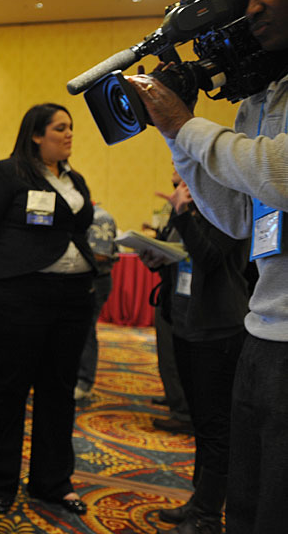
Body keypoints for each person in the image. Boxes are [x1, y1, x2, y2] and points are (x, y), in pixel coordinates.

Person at [126, 0, 288, 532]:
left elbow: (281, 174)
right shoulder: (262, 94)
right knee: (245, 509)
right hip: (262, 333)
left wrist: (186, 126)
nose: (252, 9)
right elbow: (239, 214)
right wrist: (176, 134)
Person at [0, 103, 96, 516]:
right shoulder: (8, 174)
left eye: (71, 127)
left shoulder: (74, 179)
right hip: (19, 296)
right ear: (36, 135)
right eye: (60, 128)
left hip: (73, 297)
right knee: (9, 391)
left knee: (59, 391)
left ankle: (52, 482)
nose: (69, 134)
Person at [139, 178, 249, 534]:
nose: (177, 173)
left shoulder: (229, 204)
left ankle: (207, 516)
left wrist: (182, 213)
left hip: (218, 329)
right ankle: (199, 500)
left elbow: (209, 258)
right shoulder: (190, 206)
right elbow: (179, 255)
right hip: (184, 323)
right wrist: (155, 258)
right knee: (200, 423)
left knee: (215, 427)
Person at [149, 170, 193, 434]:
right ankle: (176, 398)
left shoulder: (198, 202)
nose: (173, 166)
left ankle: (183, 411)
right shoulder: (177, 203)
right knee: (167, 353)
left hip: (186, 294)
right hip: (170, 288)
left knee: (176, 355)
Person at [74, 200, 118, 400]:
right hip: (80, 280)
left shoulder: (100, 217)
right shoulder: (77, 216)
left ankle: (84, 382)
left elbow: (101, 255)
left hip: (96, 280)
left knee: (87, 331)